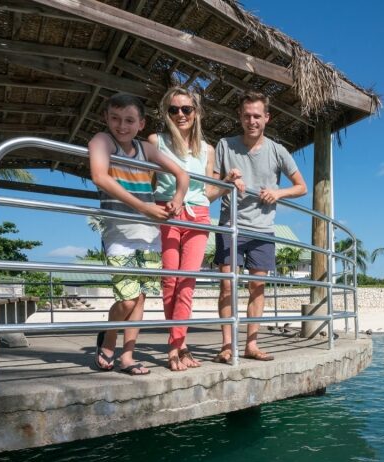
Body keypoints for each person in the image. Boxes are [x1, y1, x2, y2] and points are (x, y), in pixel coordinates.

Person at [88, 93, 189, 376]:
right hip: (118, 233)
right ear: (106, 118)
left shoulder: (146, 149)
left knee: (141, 298)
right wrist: (144, 207)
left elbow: (182, 175)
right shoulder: (102, 141)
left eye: (129, 120)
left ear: (141, 123)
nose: (122, 125)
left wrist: (177, 200)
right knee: (127, 299)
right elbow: (99, 176)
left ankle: (127, 357)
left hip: (149, 235)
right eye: (116, 119)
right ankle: (108, 340)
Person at [212, 91, 307, 363]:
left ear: (267, 118)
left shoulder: (278, 151)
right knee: (227, 287)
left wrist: (278, 194)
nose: (251, 121)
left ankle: (251, 345)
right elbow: (210, 189)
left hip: (263, 229)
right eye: (246, 116)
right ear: (239, 117)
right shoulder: (224, 145)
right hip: (231, 226)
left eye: (257, 116)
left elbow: (302, 187)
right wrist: (227, 181)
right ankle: (227, 345)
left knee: (257, 287)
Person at [148, 87, 220, 372]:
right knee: (170, 282)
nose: (180, 114)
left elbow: (208, 191)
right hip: (168, 212)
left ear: (196, 113)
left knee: (186, 283)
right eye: (174, 109)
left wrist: (228, 182)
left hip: (198, 216)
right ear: (166, 113)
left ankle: (176, 344)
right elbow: (147, 181)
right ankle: (178, 345)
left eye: (186, 109)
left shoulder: (207, 149)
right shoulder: (156, 141)